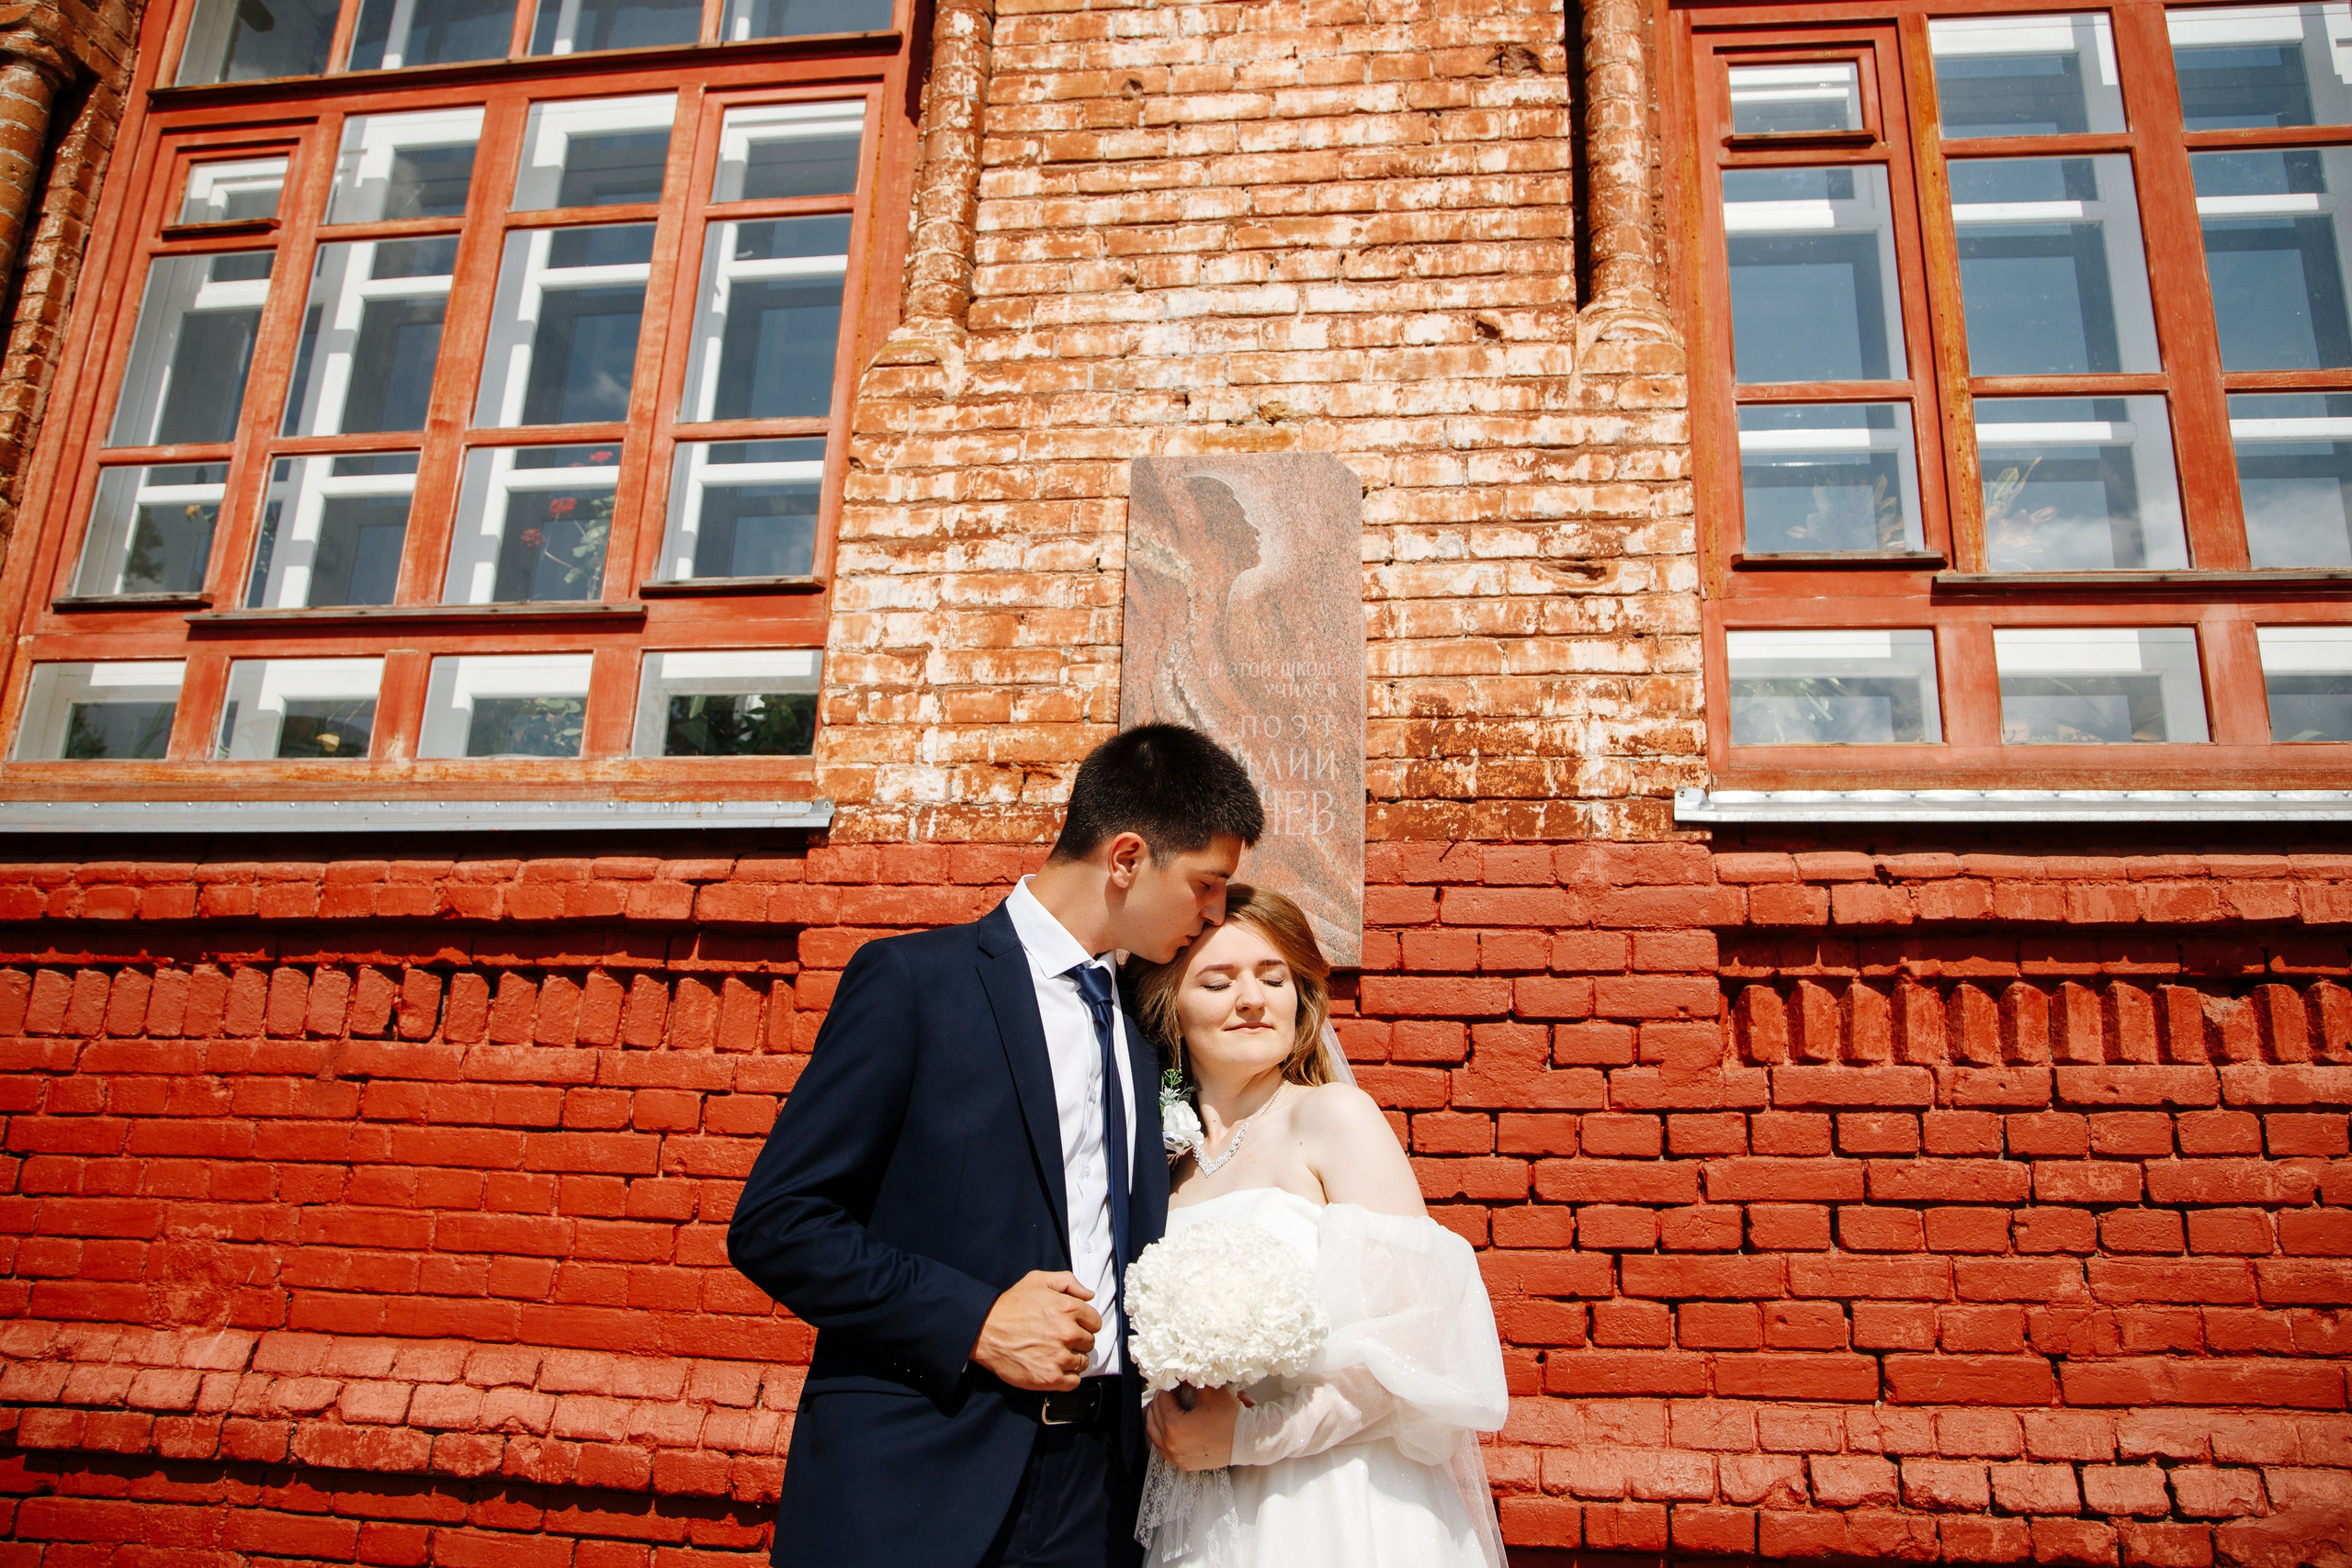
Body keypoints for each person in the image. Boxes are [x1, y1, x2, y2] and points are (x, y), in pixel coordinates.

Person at [728, 724, 1266, 1568]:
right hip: (919, 1483)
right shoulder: (914, 984)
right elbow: (777, 1222)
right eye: (1206, 883)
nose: (1214, 912)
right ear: (1127, 858)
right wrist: (973, 1320)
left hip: (1102, 1498)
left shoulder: (1147, 1025)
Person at [1126, 885, 1510, 1568]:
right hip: (1203, 1507)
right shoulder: (1160, 1163)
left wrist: (1251, 1436)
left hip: (1335, 1498)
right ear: (1168, 1004)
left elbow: (1419, 1343)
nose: (1253, 999)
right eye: (1218, 981)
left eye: (1273, 978)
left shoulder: (1334, 1118)